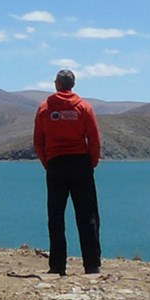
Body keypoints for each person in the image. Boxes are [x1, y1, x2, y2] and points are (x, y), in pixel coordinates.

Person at [33, 69, 102, 276]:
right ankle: (91, 265)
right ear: (73, 84)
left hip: (56, 165)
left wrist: (48, 162)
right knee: (87, 215)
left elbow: (38, 141)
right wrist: (92, 162)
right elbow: (94, 138)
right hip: (81, 164)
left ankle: (57, 266)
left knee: (55, 216)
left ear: (56, 84)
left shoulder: (45, 108)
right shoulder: (83, 107)